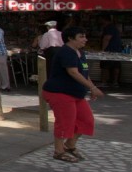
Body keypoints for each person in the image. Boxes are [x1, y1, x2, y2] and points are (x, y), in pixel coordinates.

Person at [42, 26, 102, 163]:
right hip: (60, 93)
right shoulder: (66, 52)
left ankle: (69, 145)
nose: (85, 39)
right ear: (70, 38)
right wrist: (92, 87)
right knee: (65, 122)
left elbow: (84, 73)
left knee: (86, 120)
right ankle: (58, 151)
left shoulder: (80, 53)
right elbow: (73, 72)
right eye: (81, 36)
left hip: (76, 93)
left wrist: (91, 88)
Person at [99, 16, 124, 88]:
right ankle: (115, 82)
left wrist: (103, 50)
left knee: (105, 66)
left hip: (109, 50)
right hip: (116, 50)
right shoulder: (114, 27)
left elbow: (106, 39)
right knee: (116, 66)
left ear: (103, 19)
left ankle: (104, 82)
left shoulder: (109, 28)